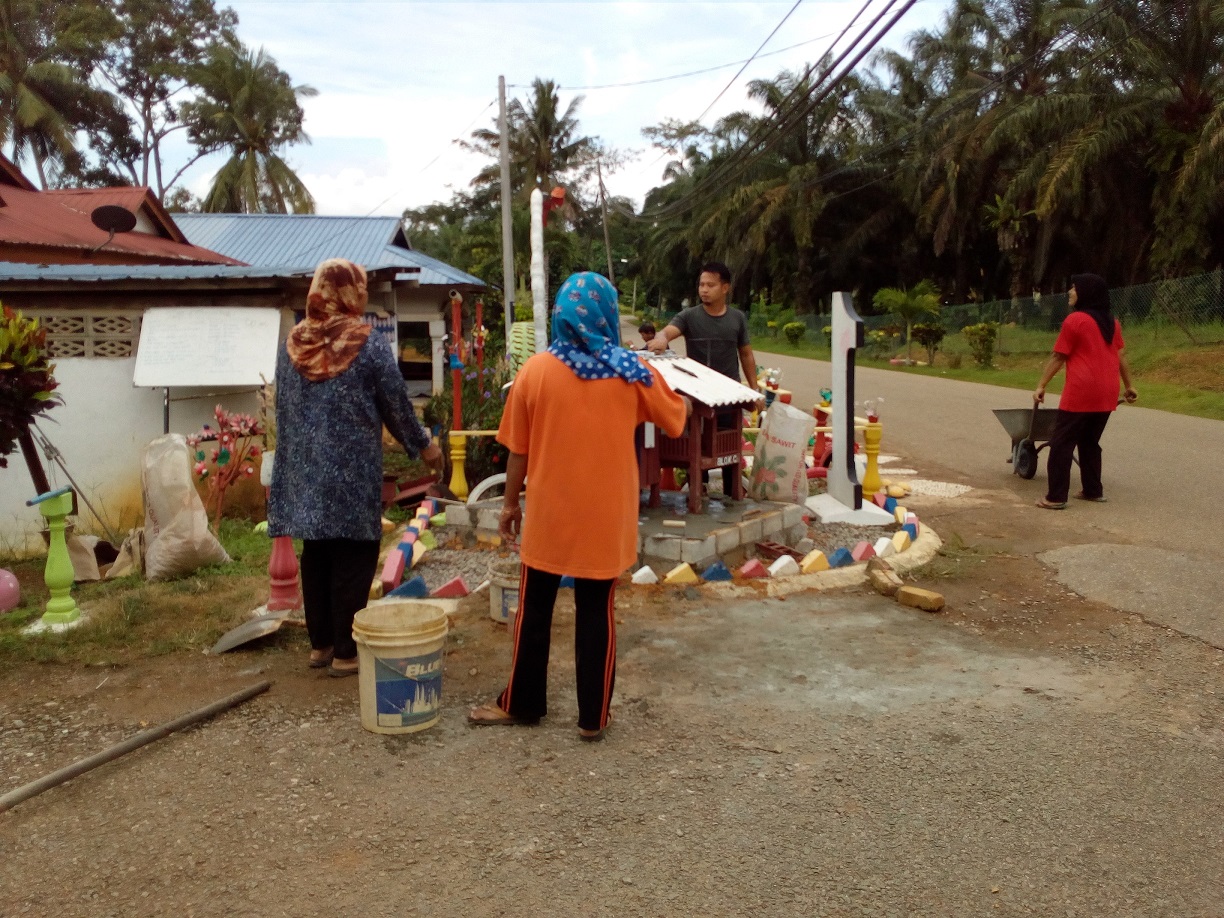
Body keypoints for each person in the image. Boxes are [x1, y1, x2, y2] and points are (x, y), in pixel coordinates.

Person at [468, 272, 690, 741]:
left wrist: (509, 506)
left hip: (550, 512)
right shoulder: (631, 372)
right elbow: (675, 421)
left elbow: (518, 451)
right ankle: (593, 719)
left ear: (562, 316)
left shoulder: (536, 371)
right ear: (608, 314)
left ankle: (524, 703)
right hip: (606, 516)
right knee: (596, 610)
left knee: (534, 608)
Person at [268, 259, 442, 676]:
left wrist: (293, 464)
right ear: (351, 293)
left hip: (304, 470)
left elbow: (284, 410)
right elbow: (396, 405)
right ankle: (347, 652)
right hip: (351, 469)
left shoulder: (291, 346)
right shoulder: (367, 343)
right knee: (353, 552)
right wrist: (424, 446)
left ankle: (321, 644)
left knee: (317, 551)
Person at [647, 261, 762, 493]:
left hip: (729, 397)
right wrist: (661, 339)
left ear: (725, 288)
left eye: (710, 285)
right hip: (698, 397)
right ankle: (699, 491)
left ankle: (733, 492)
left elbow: (746, 354)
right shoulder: (689, 316)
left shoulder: (737, 318)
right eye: (701, 284)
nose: (704, 289)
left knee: (729, 447)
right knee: (697, 447)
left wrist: (754, 388)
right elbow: (668, 331)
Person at [1033, 273, 1138, 510]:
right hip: (1107, 392)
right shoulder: (1113, 322)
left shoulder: (1075, 320)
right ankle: (1093, 490)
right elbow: (1120, 355)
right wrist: (1129, 385)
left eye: (1074, 287)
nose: (1070, 291)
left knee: (1061, 443)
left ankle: (1056, 497)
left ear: (1087, 293)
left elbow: (1059, 356)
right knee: (1090, 441)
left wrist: (1041, 385)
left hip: (1081, 391)